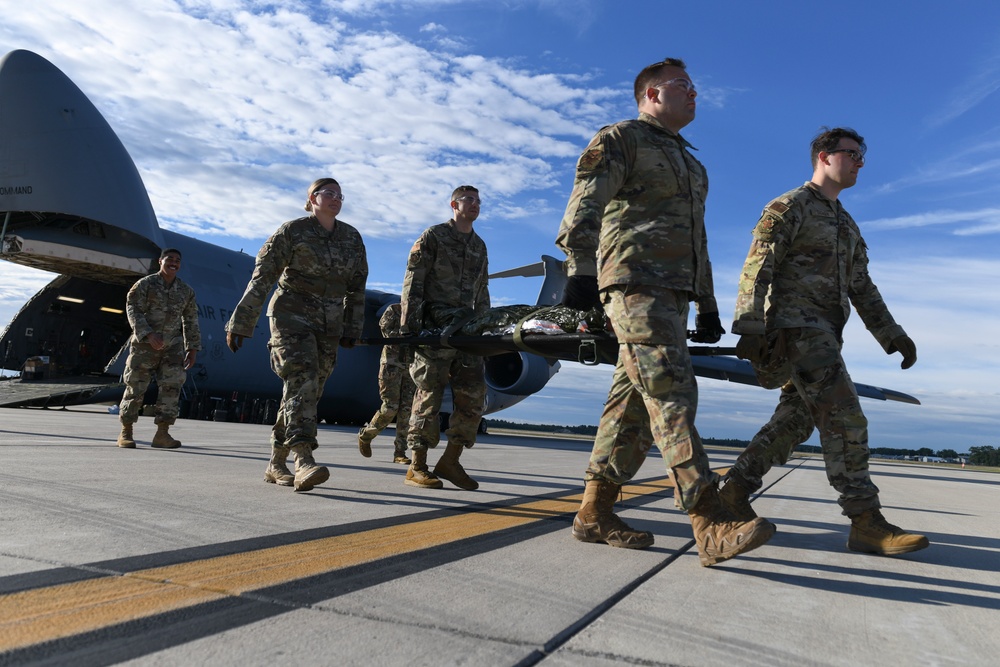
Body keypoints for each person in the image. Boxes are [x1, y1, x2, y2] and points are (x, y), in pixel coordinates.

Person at [555, 57, 775, 566]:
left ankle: (594, 511)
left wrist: (709, 304)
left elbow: (698, 240)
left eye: (695, 85)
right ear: (652, 93)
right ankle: (710, 520)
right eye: (683, 85)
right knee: (672, 392)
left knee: (631, 407)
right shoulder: (621, 138)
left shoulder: (692, 164)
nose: (694, 93)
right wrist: (580, 271)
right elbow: (584, 201)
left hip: (673, 294)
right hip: (633, 285)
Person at [725, 127, 928, 556]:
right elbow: (757, 265)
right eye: (852, 154)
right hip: (795, 330)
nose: (859, 162)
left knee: (795, 421)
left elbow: (862, 286)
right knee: (845, 416)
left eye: (861, 156)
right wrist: (749, 325)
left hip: (826, 335)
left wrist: (893, 335)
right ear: (823, 156)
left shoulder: (845, 224)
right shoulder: (790, 206)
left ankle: (732, 492)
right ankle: (865, 521)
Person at [225, 178, 368, 492]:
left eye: (340, 194)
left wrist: (352, 329)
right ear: (312, 198)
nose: (336, 198)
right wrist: (242, 319)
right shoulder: (293, 231)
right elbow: (264, 274)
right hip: (291, 315)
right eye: (328, 193)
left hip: (328, 325)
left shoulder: (352, 238)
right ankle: (303, 460)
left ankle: (276, 462)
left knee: (306, 392)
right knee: (302, 379)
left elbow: (357, 289)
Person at [399, 185, 489, 490]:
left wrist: (486, 328)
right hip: (435, 327)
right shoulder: (433, 236)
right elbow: (413, 281)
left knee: (474, 394)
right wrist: (410, 327)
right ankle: (417, 466)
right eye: (469, 199)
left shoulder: (479, 246)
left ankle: (450, 461)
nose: (475, 204)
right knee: (429, 395)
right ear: (454, 204)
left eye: (478, 200)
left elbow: (482, 291)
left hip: (467, 329)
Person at [116, 248, 201, 449]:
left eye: (177, 260)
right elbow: (133, 309)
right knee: (136, 387)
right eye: (169, 259)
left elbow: (190, 320)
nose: (173, 263)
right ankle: (125, 432)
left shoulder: (185, 291)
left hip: (172, 347)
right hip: (145, 346)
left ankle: (162, 434)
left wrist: (193, 348)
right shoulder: (145, 285)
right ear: (160, 261)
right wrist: (147, 334)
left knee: (172, 388)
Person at [357, 303, 415, 465]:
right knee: (390, 408)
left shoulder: (422, 314)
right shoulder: (394, 310)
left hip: (410, 368)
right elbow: (387, 332)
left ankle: (400, 452)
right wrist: (409, 334)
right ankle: (367, 435)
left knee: (406, 411)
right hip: (392, 365)